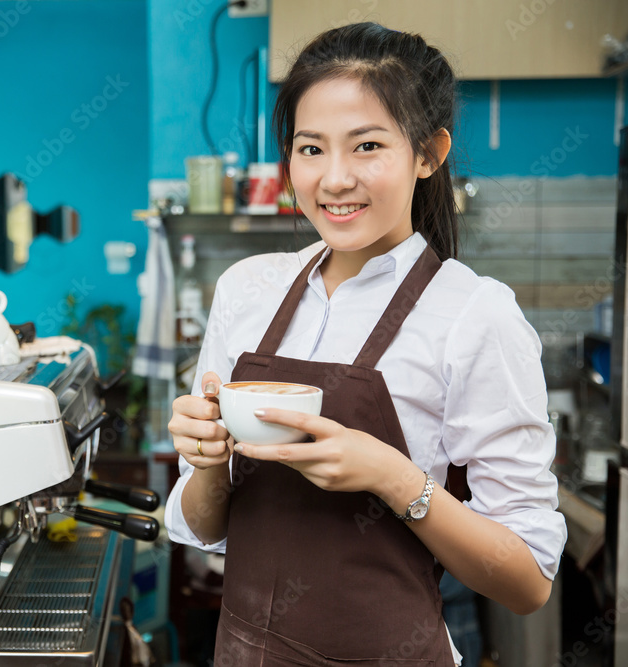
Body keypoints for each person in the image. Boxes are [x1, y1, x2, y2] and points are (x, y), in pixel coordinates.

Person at [164, 22, 567, 666]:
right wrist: (209, 458)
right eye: (311, 148)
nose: (334, 179)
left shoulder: (474, 314)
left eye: (368, 146)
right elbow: (206, 527)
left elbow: (526, 582)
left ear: (429, 153)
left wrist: (391, 476)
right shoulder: (248, 290)